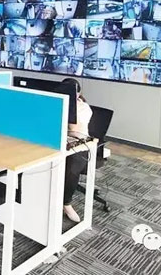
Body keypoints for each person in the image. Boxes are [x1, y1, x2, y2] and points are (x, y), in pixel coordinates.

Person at [61, 77, 93, 223]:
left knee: (72, 166)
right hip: (61, 141)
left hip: (80, 146)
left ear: (78, 94)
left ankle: (66, 202)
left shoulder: (83, 107)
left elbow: (73, 128)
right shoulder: (58, 103)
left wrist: (69, 106)